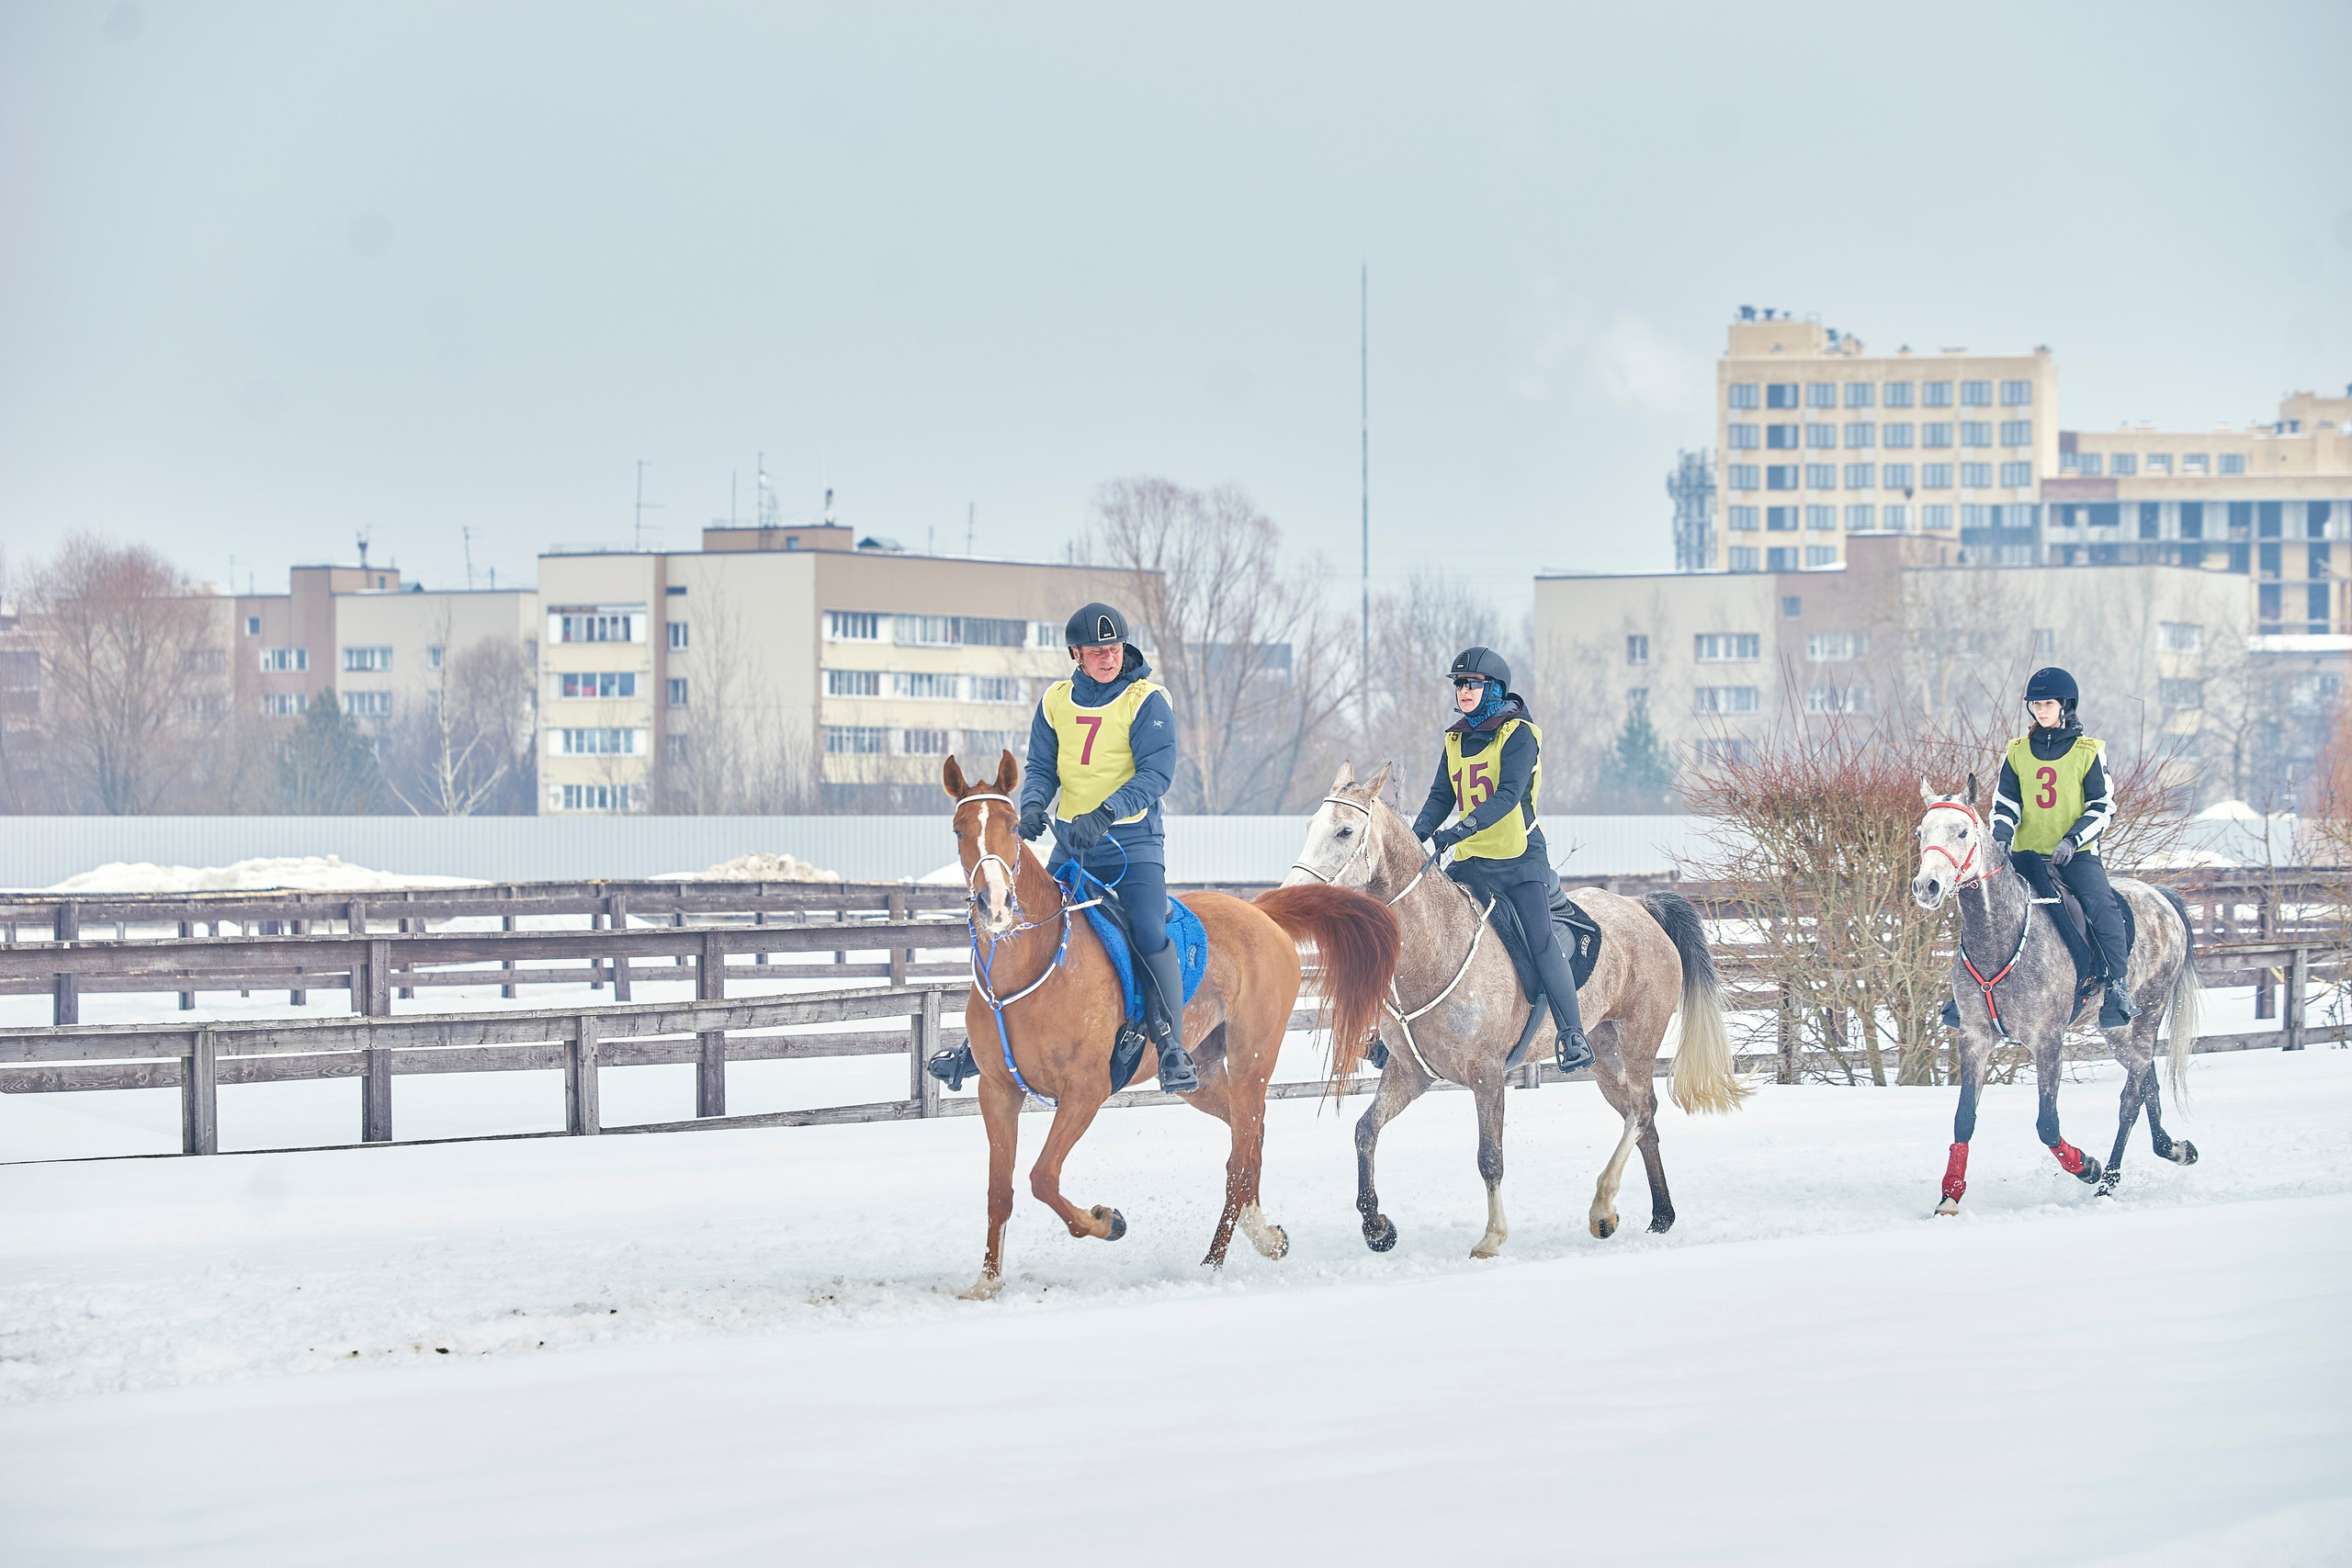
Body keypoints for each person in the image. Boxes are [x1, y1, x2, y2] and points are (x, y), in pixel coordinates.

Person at [1017, 601, 1199, 1093]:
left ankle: (1172, 1044)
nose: (1108, 657)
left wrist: (1106, 812)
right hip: (1071, 842)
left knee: (1146, 929)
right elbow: (1040, 767)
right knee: (1024, 920)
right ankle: (988, 1043)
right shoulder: (1054, 700)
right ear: (1076, 653)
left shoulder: (1147, 699)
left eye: (1115, 648)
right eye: (1097, 650)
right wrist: (1033, 805)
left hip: (1132, 843)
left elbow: (1156, 775)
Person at [1408, 647, 1591, 1073]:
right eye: (1458, 684)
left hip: (1519, 859)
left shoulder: (1520, 733)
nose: (1463, 691)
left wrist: (1462, 828)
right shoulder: (1455, 737)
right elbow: (1440, 797)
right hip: (1472, 860)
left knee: (1540, 939)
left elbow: (1508, 795)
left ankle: (1572, 1033)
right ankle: (1397, 1034)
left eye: (1470, 684)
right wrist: (1414, 836)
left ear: (1493, 688)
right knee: (1426, 925)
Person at [1992, 666, 2138, 1029]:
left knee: (2102, 906)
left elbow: (2102, 807)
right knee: (1985, 906)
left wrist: (2073, 840)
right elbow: (2005, 804)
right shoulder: (2017, 751)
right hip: (2026, 856)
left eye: (2048, 704)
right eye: (2035, 705)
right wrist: (2000, 837)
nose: (2041, 711)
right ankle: (1965, 994)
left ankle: (2118, 988)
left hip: (2076, 855)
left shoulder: (2089, 751)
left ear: (2065, 706)